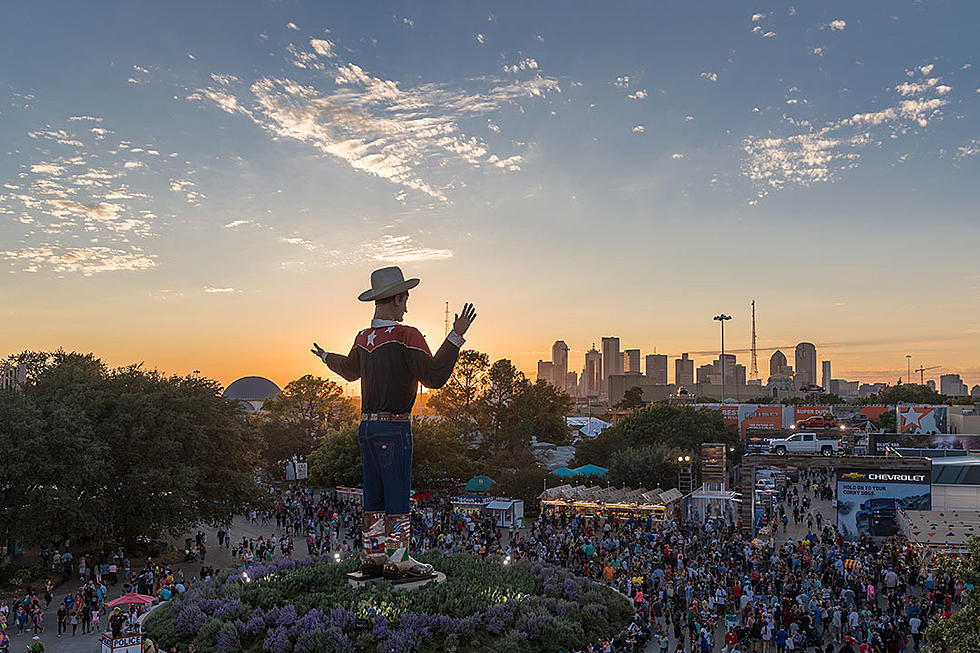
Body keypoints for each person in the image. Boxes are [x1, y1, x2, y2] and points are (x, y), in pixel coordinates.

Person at [313, 266, 476, 580]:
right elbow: (434, 376)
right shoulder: (406, 335)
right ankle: (399, 562)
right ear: (396, 297)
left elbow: (348, 370)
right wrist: (456, 336)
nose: (407, 306)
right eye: (405, 299)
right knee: (398, 493)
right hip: (394, 427)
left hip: (366, 429)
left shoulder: (363, 338)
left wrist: (324, 357)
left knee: (373, 495)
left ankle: (373, 558)